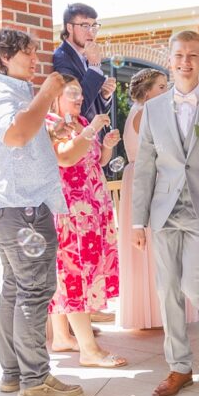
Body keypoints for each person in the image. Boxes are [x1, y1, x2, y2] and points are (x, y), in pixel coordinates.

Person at [0, 28, 84, 396]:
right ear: (5, 56)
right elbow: (15, 134)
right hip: (20, 207)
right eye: (28, 54)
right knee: (35, 290)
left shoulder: (13, 93)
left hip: (19, 204)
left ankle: (14, 373)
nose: (36, 61)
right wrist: (49, 93)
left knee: (16, 288)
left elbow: (22, 142)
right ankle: (35, 379)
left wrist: (49, 137)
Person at [131, 30, 199, 396]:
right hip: (163, 213)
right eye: (179, 55)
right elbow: (146, 165)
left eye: (193, 55)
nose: (185, 62)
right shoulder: (153, 109)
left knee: (196, 285)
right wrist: (137, 220)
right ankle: (179, 367)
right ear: (170, 58)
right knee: (167, 291)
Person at [44, 76, 125, 366]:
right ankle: (89, 351)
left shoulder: (79, 120)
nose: (79, 99)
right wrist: (91, 130)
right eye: (72, 94)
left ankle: (63, 337)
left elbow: (96, 162)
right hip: (72, 211)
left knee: (78, 272)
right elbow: (65, 158)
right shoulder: (53, 123)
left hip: (93, 206)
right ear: (56, 97)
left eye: (80, 94)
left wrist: (106, 147)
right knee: (75, 274)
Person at [117, 69, 166, 330]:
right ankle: (157, 311)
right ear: (147, 91)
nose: (166, 91)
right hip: (147, 178)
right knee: (152, 242)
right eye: (161, 87)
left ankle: (150, 310)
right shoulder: (146, 112)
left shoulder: (136, 110)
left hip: (135, 175)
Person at [52, 3, 117, 122]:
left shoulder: (87, 59)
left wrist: (104, 96)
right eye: (85, 25)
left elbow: (94, 111)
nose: (91, 32)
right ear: (69, 27)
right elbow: (76, 109)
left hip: (94, 137)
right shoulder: (61, 58)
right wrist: (95, 67)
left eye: (94, 26)